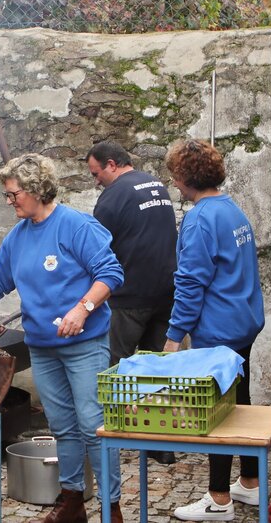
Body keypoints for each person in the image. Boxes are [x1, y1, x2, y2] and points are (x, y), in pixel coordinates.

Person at [0, 153, 126, 523]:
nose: (10, 201)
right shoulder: (18, 237)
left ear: (36, 189)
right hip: (43, 349)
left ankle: (112, 508)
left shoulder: (76, 226)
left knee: (93, 426)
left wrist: (82, 309)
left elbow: (110, 273)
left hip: (84, 346)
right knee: (62, 427)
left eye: (13, 194)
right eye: (8, 195)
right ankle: (72, 501)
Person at [161, 139, 265, 522]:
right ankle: (250, 483)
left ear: (186, 178)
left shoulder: (200, 218)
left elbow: (190, 282)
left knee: (216, 411)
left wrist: (174, 338)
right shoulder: (232, 209)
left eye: (174, 175)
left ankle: (218, 499)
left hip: (219, 329)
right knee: (241, 401)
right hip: (244, 322)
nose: (173, 183)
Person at [86, 141, 179, 466]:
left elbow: (95, 250)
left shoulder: (113, 197)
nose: (96, 181)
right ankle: (160, 444)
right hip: (166, 294)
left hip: (128, 296)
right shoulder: (157, 184)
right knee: (157, 369)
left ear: (111, 164)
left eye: (96, 173)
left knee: (114, 366)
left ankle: (112, 439)